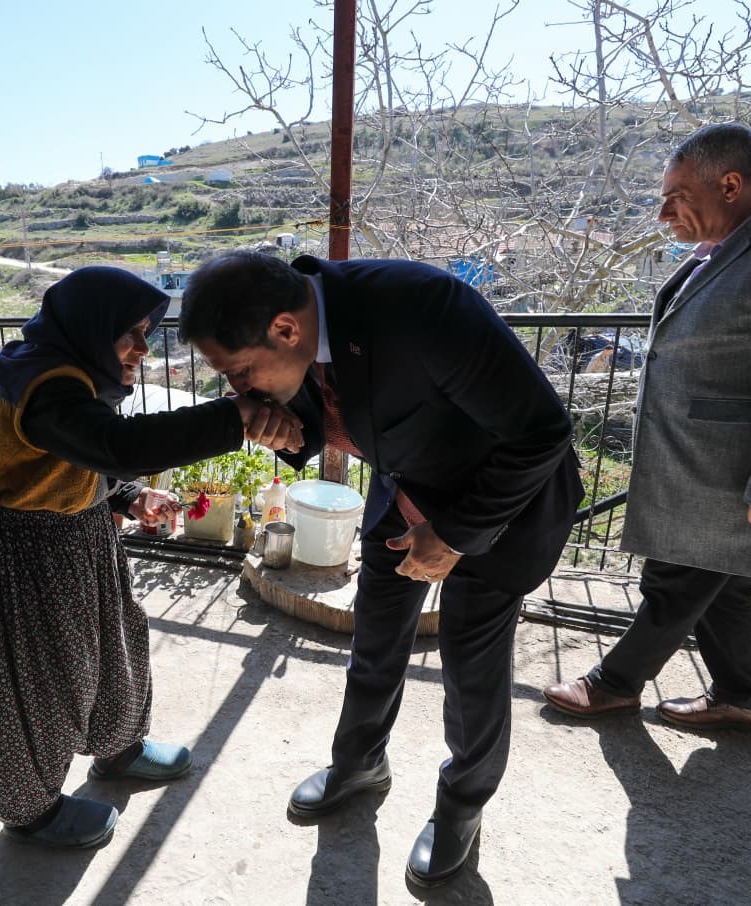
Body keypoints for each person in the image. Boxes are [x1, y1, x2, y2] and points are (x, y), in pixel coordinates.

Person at [179, 250, 583, 887]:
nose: (240, 391)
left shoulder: (420, 307)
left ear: (285, 329)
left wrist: (453, 536)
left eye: (241, 373)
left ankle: (461, 807)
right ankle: (359, 763)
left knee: (471, 670)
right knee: (374, 637)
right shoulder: (307, 326)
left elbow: (542, 433)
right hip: (406, 488)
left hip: (500, 507)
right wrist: (295, 433)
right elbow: (350, 404)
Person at [543, 123, 751, 733]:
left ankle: (614, 684)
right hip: (700, 471)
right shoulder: (727, 249)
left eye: (676, 195)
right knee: (720, 589)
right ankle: (746, 698)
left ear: (730, 184)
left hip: (737, 475)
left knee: (675, 583)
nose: (663, 210)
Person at [0, 267, 299, 849]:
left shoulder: (74, 375)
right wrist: (234, 417)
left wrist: (130, 495)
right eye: (130, 332)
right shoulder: (42, 382)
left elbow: (77, 457)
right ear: (90, 327)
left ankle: (118, 748)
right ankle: (29, 809)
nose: (141, 347)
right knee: (32, 678)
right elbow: (116, 446)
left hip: (78, 536)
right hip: (20, 553)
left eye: (146, 332)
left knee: (115, 640)